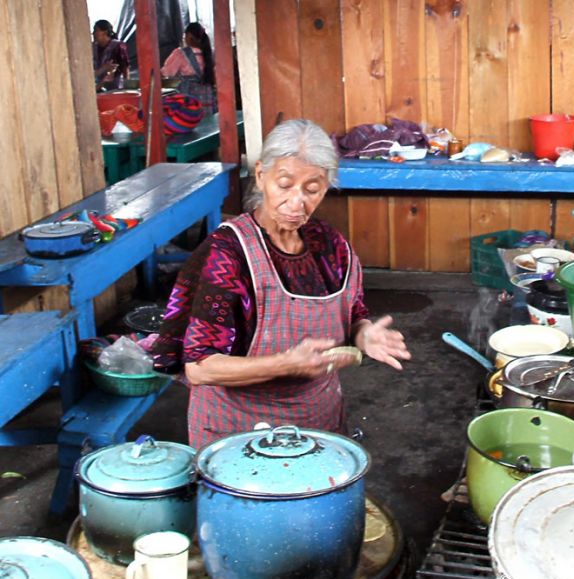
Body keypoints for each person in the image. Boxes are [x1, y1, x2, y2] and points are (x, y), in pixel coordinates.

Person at [152, 119, 411, 448]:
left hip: (320, 423)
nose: (296, 202)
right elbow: (201, 368)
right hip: (239, 432)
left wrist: (363, 333)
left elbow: (354, 311)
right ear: (261, 176)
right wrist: (286, 363)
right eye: (284, 184)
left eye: (312, 189)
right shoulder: (228, 254)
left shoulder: (330, 246)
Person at [161, 22, 217, 113]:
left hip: (188, 99)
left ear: (189, 36)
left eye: (185, 36)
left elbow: (166, 72)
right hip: (208, 98)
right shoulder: (211, 53)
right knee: (208, 123)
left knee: (189, 121)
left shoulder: (180, 53)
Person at [92, 20, 129, 91]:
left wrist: (126, 87)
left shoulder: (118, 46)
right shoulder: (93, 47)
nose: (93, 33)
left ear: (105, 32)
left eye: (96, 30)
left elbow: (125, 68)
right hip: (97, 86)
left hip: (116, 87)